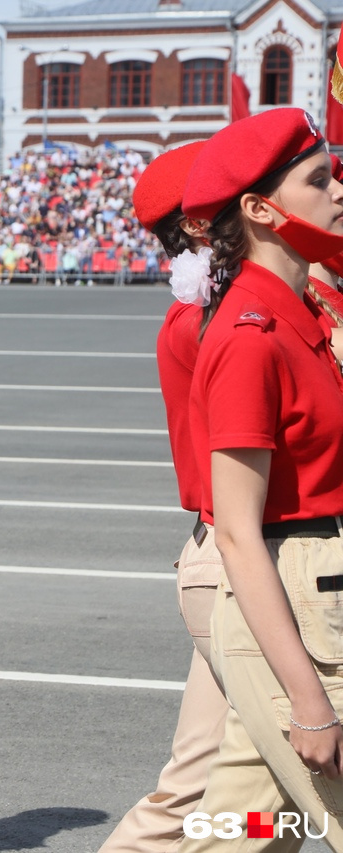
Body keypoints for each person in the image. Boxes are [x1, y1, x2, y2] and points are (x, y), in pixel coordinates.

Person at [178, 108, 343, 849]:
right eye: (320, 178)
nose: (339, 189)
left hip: (313, 592)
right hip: (297, 602)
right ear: (259, 209)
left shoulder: (303, 311)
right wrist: (309, 698)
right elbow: (238, 533)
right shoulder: (253, 335)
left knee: (242, 829)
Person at [99, 141, 233, 853]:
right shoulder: (211, 321)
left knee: (203, 795)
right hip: (245, 564)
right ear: (202, 225)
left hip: (239, 562)